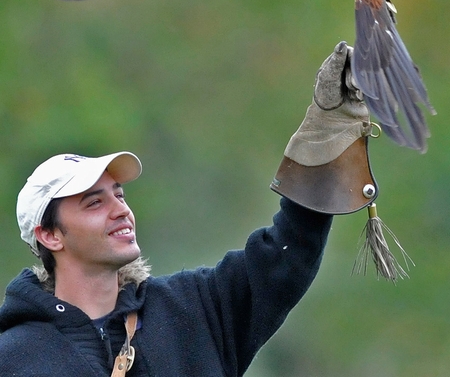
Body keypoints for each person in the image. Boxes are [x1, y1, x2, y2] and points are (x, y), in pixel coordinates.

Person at [0, 42, 376, 377]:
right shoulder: (14, 357)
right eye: (94, 203)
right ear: (49, 235)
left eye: (119, 195)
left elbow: (286, 256)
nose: (120, 210)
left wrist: (324, 142)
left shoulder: (194, 309)